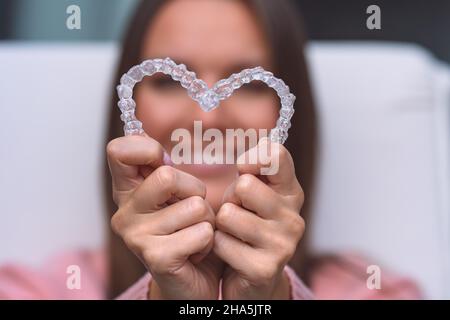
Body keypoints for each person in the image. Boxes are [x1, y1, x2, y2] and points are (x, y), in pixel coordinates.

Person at [0, 0, 421, 299]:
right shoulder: (33, 291)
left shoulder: (375, 291)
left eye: (250, 83)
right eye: (168, 81)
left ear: (291, 113)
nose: (209, 119)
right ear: (127, 111)